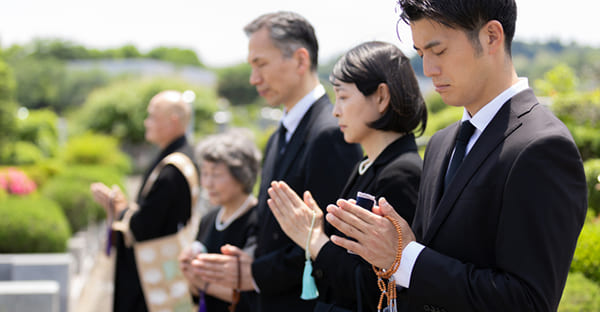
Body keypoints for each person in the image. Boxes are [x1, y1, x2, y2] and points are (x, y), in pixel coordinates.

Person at [326, 1, 588, 311]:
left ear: (491, 36)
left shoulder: (542, 146)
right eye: (421, 54)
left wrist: (405, 257)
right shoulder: (440, 143)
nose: (427, 70)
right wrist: (396, 252)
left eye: (439, 51)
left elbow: (527, 301)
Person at [190, 11, 363, 312]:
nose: (253, 79)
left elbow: (330, 241)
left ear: (300, 60)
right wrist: (244, 259)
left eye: (261, 64)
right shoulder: (277, 136)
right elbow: (266, 222)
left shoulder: (331, 133)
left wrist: (254, 273)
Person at [266, 41, 427, 312]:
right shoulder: (368, 164)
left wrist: (315, 241)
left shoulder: (401, 174)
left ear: (380, 97)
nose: (335, 110)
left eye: (342, 96)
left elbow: (379, 288)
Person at [90, 90, 198, 312]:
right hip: (160, 270)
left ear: (173, 121)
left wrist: (119, 208)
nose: (146, 122)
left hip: (151, 279)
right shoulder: (180, 157)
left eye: (152, 116)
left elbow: (143, 227)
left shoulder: (172, 170)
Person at [178, 129, 261, 312]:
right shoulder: (209, 218)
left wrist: (203, 283)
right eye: (205, 173)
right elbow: (195, 289)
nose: (207, 183)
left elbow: (251, 291)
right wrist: (188, 269)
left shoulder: (258, 220)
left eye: (215, 175)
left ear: (242, 175)